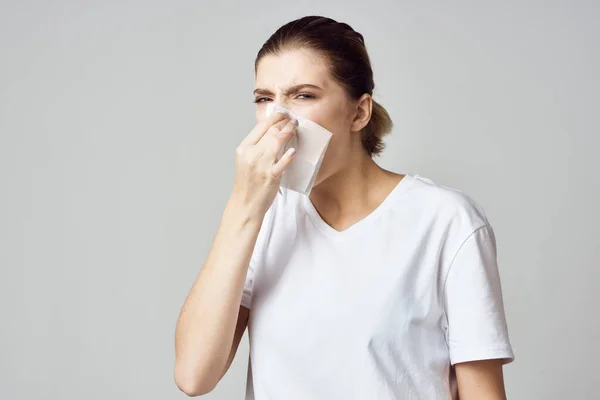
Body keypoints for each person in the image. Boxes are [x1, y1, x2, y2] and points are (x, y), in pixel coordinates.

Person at [174, 15, 514, 400]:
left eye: (303, 95)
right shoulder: (263, 218)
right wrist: (243, 206)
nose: (278, 119)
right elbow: (193, 375)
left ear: (359, 113)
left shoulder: (445, 221)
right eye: (264, 99)